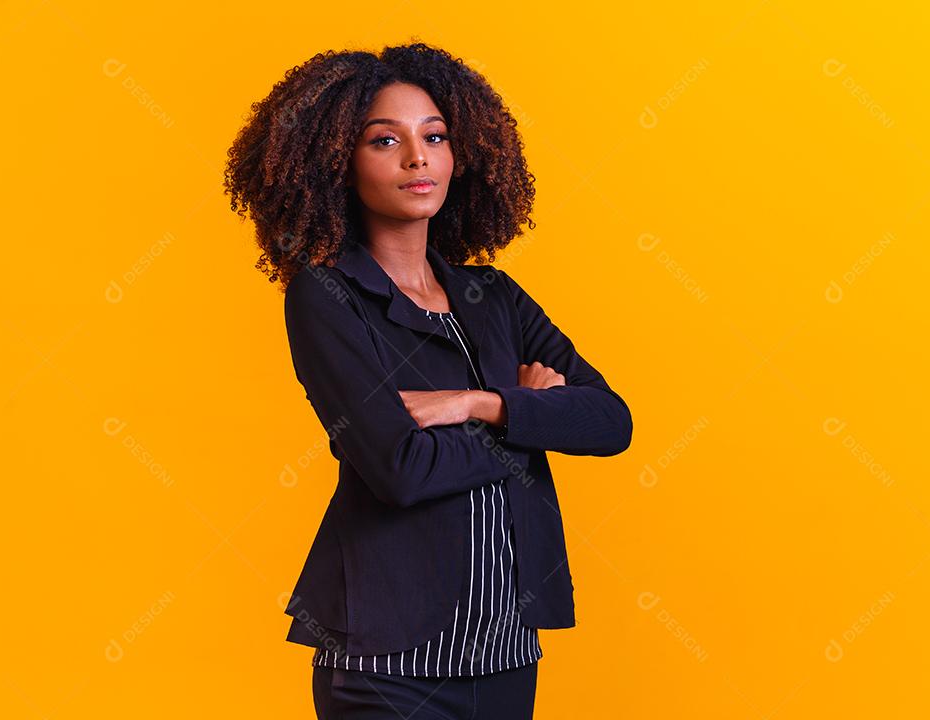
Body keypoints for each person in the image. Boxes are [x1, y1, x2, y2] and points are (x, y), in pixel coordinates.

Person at [224, 40, 633, 720]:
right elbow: (402, 470)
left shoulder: (493, 296)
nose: (418, 158)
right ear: (336, 162)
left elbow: (611, 422)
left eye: (435, 137)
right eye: (385, 140)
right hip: (389, 667)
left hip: (506, 651)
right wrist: (531, 413)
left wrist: (483, 403)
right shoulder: (327, 297)